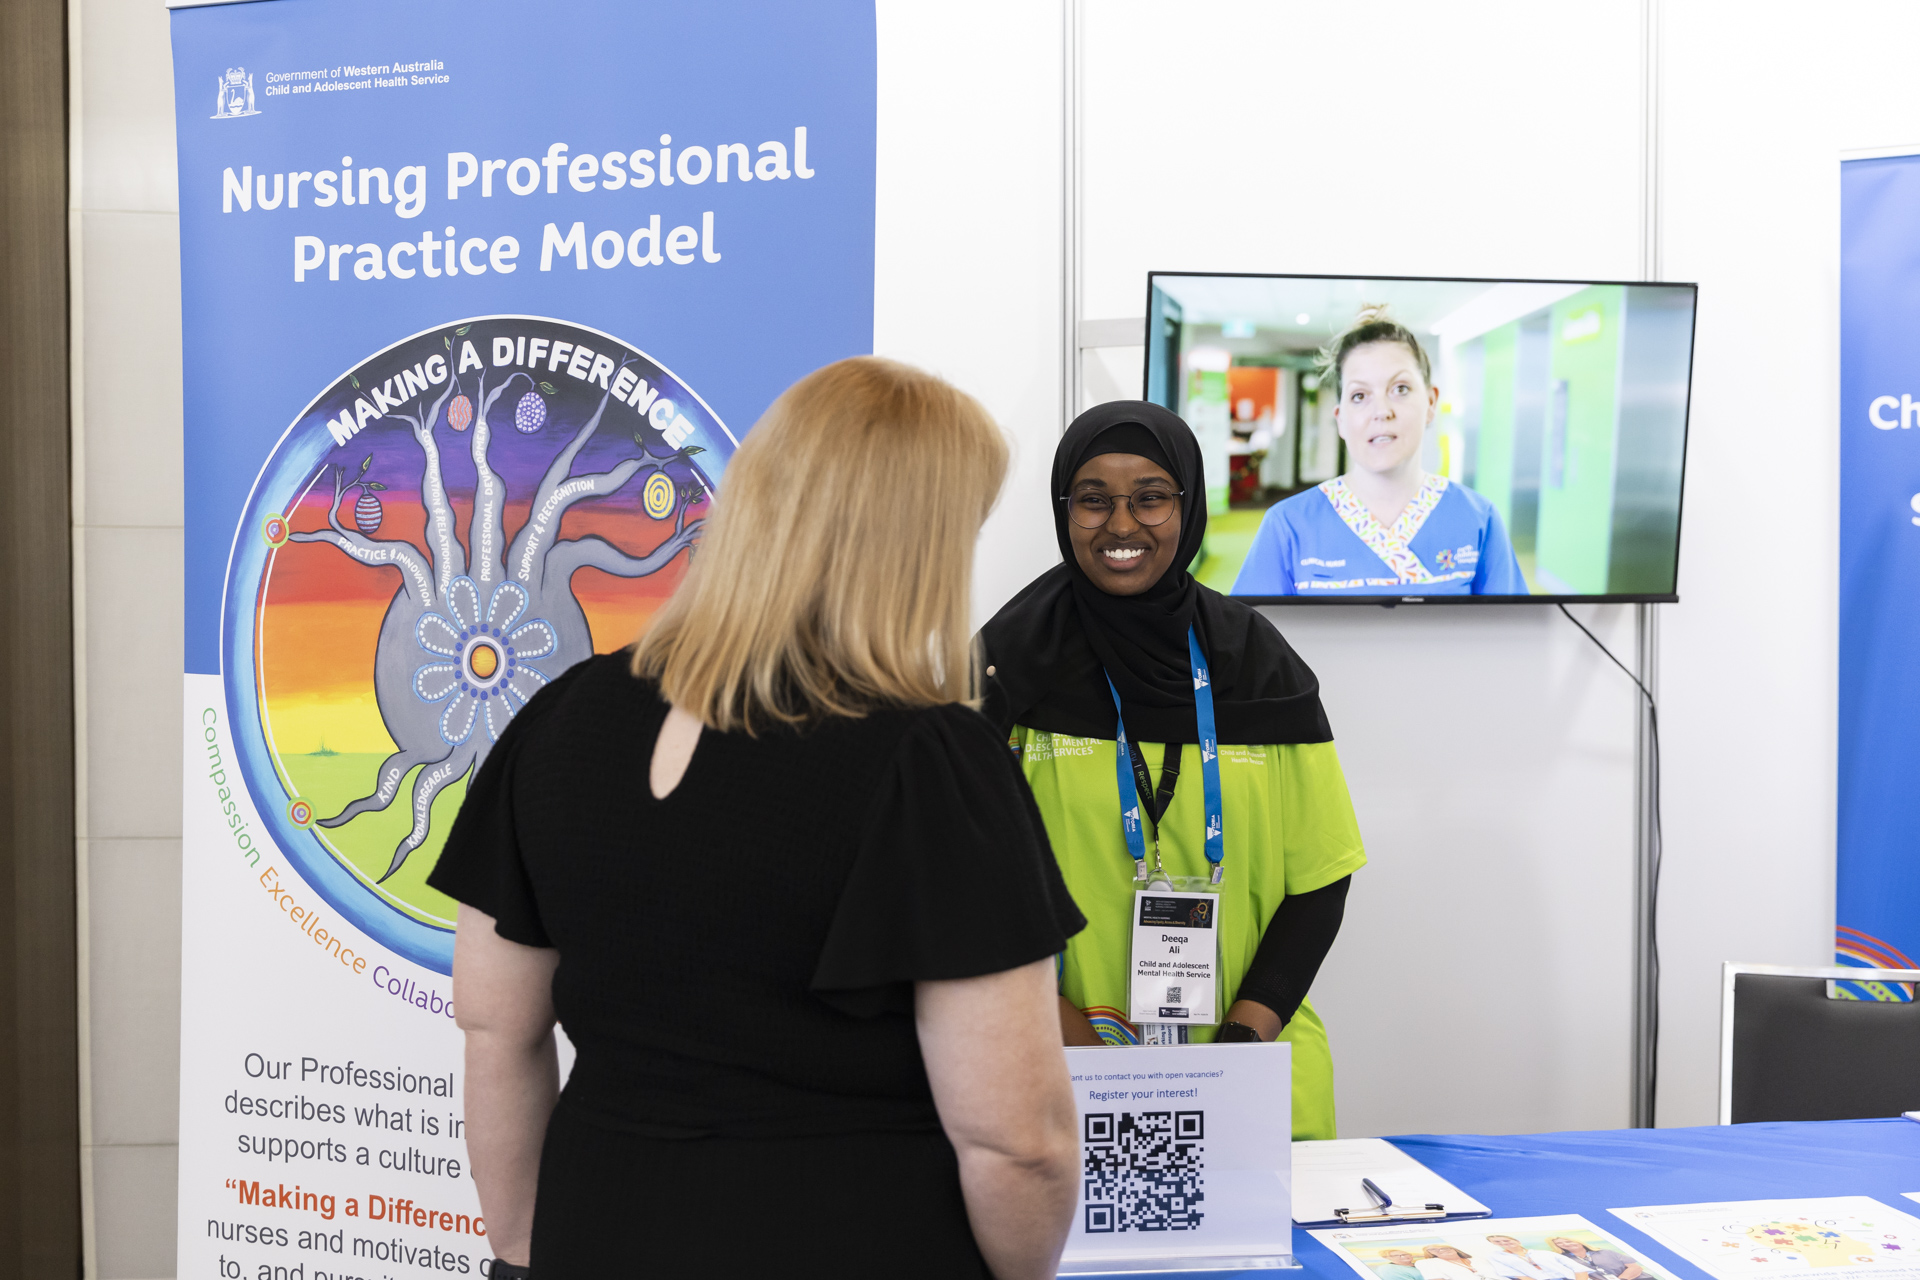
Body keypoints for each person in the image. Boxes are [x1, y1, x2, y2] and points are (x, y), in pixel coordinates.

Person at [430, 357, 1086, 1280]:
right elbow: (1018, 1139)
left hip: (598, 1225)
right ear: (918, 546)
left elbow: (496, 1026)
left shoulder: (561, 716)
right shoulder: (929, 762)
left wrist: (523, 1248)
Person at [979, 400, 1366, 1140]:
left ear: (1187, 506)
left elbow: (1320, 881)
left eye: (1151, 498)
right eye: (1094, 500)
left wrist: (1238, 1055)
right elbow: (963, 890)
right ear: (1065, 510)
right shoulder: (1006, 668)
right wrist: (1082, 1053)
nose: (1122, 526)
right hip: (1061, 1075)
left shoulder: (1257, 662)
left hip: (1251, 1072)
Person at [1232, 306, 1527, 596]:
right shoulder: (1288, 525)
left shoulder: (1478, 520)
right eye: (1360, 396)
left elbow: (1515, 637)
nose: (1381, 411)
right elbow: (1243, 641)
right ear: (1341, 419)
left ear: (1431, 403)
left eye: (1400, 389)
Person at [1482, 1235, 1584, 1280]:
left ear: (1517, 1241)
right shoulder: (1497, 1257)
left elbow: (1578, 1268)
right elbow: (1515, 1275)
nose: (1503, 1243)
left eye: (1506, 1240)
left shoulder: (1544, 1253)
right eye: (1497, 1242)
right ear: (1493, 1244)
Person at [1548, 1238, 1646, 1280]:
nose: (1566, 1244)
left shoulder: (1606, 1252)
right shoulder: (1563, 1260)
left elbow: (1635, 1268)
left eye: (1568, 1241)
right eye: (1560, 1243)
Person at [1417, 1245, 1491, 1280]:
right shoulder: (1427, 1263)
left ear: (1454, 1249)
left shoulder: (1478, 1259)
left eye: (1444, 1248)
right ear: (1430, 1254)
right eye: (1434, 1250)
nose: (1442, 1250)